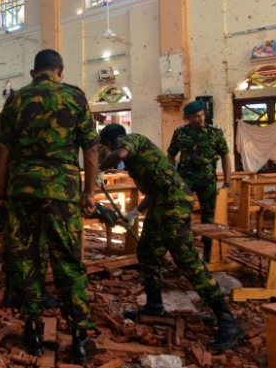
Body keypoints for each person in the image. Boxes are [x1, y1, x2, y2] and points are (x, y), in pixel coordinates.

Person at [0, 49, 99, 365]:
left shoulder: (15, 100)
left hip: (22, 189)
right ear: (60, 71)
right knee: (67, 261)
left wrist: (2, 196)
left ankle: (33, 332)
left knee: (27, 260)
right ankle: (80, 339)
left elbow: (2, 151)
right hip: (63, 190)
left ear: (33, 73)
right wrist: (89, 192)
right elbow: (91, 149)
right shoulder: (75, 97)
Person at [97, 123, 243, 351]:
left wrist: (99, 169)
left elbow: (119, 153)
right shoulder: (137, 159)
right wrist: (135, 212)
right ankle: (154, 306)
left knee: (186, 259)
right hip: (162, 202)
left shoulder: (132, 140)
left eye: (106, 148)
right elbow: (155, 190)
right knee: (147, 252)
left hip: (174, 202)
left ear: (109, 143)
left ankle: (227, 320)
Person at [167, 100, 231, 262]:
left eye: (202, 115)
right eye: (196, 116)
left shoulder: (215, 132)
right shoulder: (180, 133)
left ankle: (209, 253)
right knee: (182, 215)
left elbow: (225, 156)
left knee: (208, 217)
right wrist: (172, 176)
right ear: (187, 117)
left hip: (207, 179)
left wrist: (227, 182)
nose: (201, 119)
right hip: (185, 179)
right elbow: (170, 154)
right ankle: (185, 253)